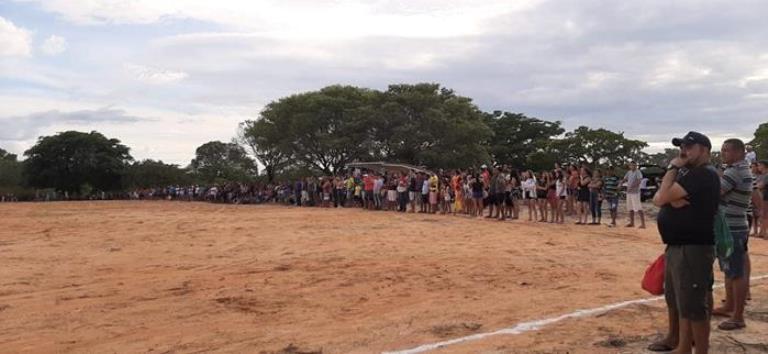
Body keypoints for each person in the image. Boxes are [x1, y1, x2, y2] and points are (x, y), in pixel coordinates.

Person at [649, 131, 720, 354]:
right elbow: (658, 198)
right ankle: (682, 346)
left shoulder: (703, 174)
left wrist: (672, 168)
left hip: (693, 247)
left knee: (693, 305)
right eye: (682, 147)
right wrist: (670, 199)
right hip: (679, 245)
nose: (683, 151)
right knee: (679, 300)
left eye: (689, 147)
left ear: (704, 150)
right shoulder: (689, 173)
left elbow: (661, 197)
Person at [711, 138, 752, 331]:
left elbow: (714, 193)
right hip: (734, 225)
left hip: (732, 227)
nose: (723, 153)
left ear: (738, 152)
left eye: (726, 150)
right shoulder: (739, 169)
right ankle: (730, 306)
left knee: (736, 272)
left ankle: (738, 317)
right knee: (730, 270)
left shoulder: (734, 172)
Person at [623, 161, 646, 228]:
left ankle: (643, 224)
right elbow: (625, 179)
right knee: (630, 208)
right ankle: (632, 223)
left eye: (634, 165)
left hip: (635, 192)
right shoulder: (629, 172)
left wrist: (632, 186)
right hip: (629, 192)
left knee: (638, 207)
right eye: (631, 165)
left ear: (636, 166)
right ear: (629, 166)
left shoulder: (638, 172)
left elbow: (639, 181)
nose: (633, 166)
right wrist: (620, 183)